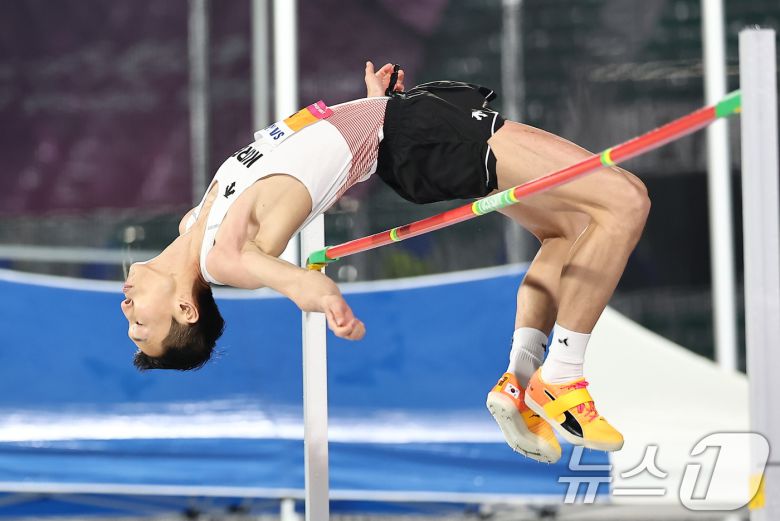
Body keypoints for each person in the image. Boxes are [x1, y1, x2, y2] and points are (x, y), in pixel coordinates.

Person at [121, 62, 650, 463]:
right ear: (187, 309)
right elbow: (271, 270)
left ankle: (521, 378)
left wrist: (368, 107)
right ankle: (565, 376)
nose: (126, 308)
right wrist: (319, 294)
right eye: (140, 323)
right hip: (416, 135)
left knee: (566, 231)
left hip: (395, 133)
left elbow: (303, 148)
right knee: (624, 201)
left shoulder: (195, 226)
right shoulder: (223, 256)